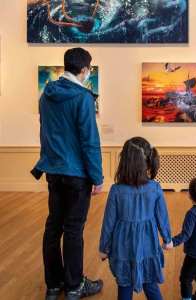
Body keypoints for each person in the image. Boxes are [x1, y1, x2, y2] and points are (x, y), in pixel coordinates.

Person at [31, 48, 104, 300]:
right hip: (76, 176)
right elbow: (89, 141)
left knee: (53, 228)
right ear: (84, 70)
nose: (88, 73)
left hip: (53, 171)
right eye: (89, 69)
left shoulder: (46, 94)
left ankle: (53, 285)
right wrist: (98, 177)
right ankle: (75, 286)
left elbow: (45, 134)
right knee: (73, 230)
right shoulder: (83, 97)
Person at [99, 137, 173, 300]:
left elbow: (108, 223)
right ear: (147, 162)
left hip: (122, 248)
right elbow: (163, 217)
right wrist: (167, 239)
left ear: (124, 162)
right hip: (148, 246)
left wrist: (104, 248)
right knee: (151, 286)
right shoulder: (155, 188)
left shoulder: (116, 190)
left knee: (124, 287)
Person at [164, 177, 196, 300]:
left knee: (185, 278)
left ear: (189, 195)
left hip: (194, 256)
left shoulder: (192, 214)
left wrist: (172, 242)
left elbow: (185, 234)